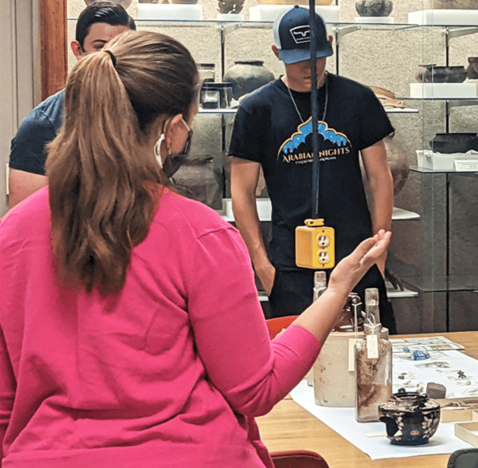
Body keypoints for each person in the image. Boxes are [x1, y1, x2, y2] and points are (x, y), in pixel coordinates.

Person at [0, 30, 391, 466]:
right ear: (175, 129)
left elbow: (5, 404)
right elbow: (255, 387)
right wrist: (336, 292)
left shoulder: (13, 232)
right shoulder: (199, 234)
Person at [229, 7, 396, 328]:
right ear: (276, 53)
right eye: (296, 58)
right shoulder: (256, 109)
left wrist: (379, 252)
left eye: (318, 55)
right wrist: (263, 267)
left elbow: (380, 177)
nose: (310, 67)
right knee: (295, 368)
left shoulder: (358, 98)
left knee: (369, 356)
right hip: (289, 266)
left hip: (358, 256)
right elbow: (241, 190)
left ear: (330, 44)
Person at [7, 1, 135, 209]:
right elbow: (24, 221)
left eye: (121, 47)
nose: (111, 57)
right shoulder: (41, 126)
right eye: (100, 46)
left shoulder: (148, 112)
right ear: (78, 50)